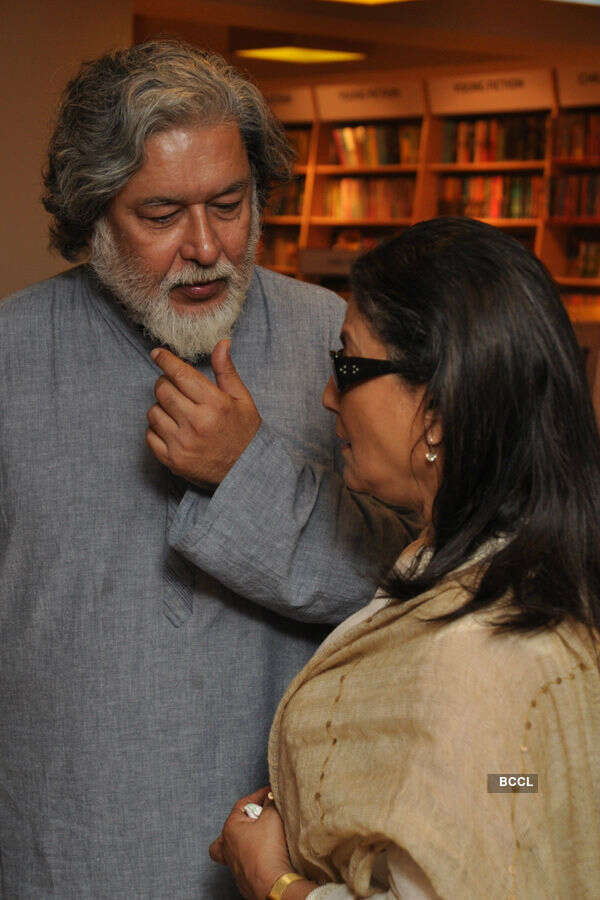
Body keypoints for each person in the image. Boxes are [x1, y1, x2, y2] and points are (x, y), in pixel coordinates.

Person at [0, 41, 411, 897]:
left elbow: (405, 591)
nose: (206, 246)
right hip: (64, 853)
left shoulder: (333, 340)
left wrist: (247, 470)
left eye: (229, 203)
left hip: (288, 861)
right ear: (92, 212)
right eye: (160, 214)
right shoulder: (11, 356)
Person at [212, 217, 600, 899]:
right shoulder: (505, 569)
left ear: (440, 412)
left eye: (350, 365)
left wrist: (271, 877)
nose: (330, 395)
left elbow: (497, 782)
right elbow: (511, 784)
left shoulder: (486, 651)